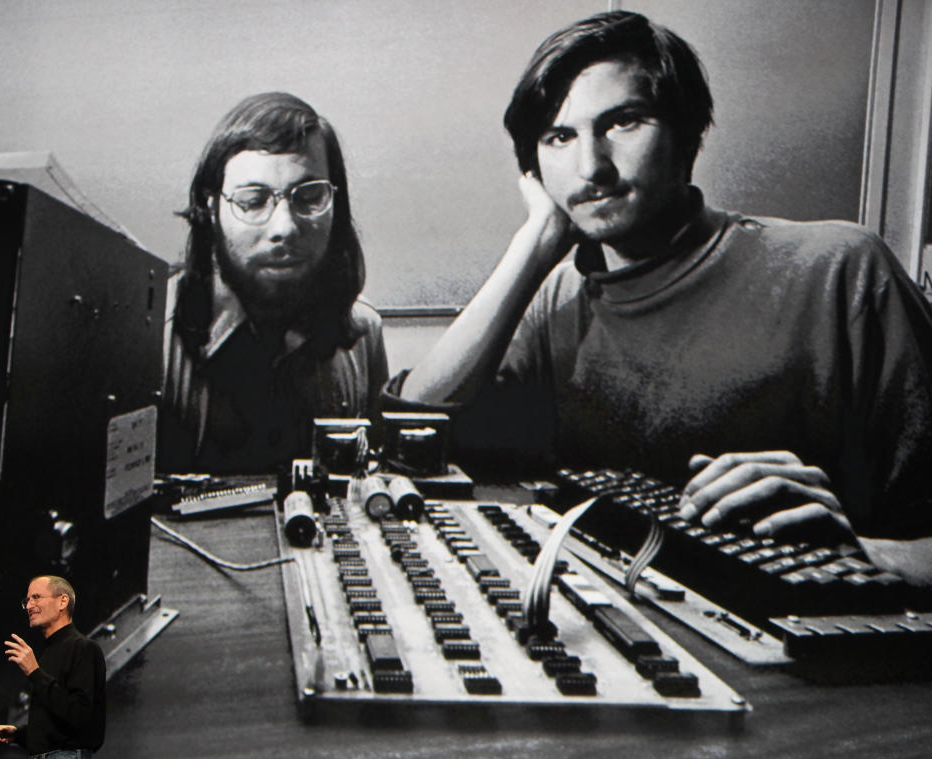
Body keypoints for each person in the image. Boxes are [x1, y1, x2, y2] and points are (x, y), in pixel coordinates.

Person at [390, 11, 932, 584]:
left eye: (624, 123)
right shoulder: (558, 299)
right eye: (559, 137)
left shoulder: (840, 271)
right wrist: (536, 242)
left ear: (687, 134)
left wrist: (860, 554)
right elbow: (415, 430)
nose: (591, 166)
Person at [160, 91, 389, 474]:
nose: (284, 227)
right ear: (211, 208)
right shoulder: (149, 339)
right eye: (253, 201)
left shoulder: (363, 334)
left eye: (310, 196)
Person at [0, 575, 106, 759]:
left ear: (63, 601)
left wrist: (35, 673)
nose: (29, 606)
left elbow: (81, 718)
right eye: (27, 600)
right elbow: (56, 724)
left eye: (36, 597)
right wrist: (18, 735)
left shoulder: (83, 649)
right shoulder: (49, 652)